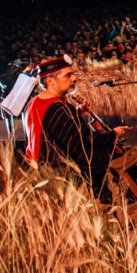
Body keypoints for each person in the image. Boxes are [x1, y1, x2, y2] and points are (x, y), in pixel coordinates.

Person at [24, 56, 127, 197]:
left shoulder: (35, 102)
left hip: (41, 167)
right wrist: (113, 135)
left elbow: (59, 132)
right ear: (50, 81)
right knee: (121, 156)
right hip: (61, 172)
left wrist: (77, 114)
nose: (74, 78)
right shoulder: (59, 109)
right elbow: (85, 144)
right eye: (68, 75)